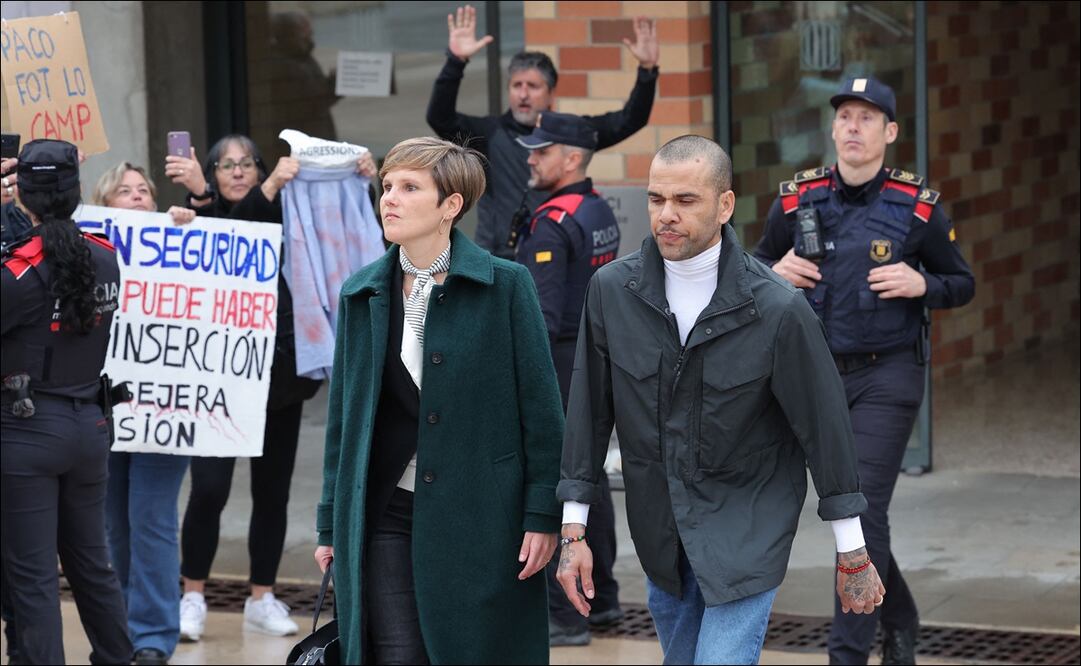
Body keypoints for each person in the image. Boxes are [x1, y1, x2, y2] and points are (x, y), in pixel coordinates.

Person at [555, 135, 887, 665]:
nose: (666, 215)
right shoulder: (611, 292)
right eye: (656, 199)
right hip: (660, 529)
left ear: (724, 205)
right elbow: (588, 415)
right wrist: (573, 530)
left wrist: (852, 549)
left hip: (746, 528)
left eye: (685, 201)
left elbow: (824, 430)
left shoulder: (779, 309)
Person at [313, 137, 564, 664]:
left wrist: (543, 514)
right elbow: (344, 422)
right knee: (399, 655)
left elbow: (542, 414)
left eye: (409, 187)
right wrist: (330, 524)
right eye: (386, 187)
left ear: (451, 205)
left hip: (481, 515)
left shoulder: (506, 286)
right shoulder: (361, 293)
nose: (390, 199)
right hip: (384, 511)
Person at [754, 76, 975, 665]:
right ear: (832, 129)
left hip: (889, 374)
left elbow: (962, 283)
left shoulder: (918, 210)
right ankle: (898, 614)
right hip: (815, 376)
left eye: (867, 118)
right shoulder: (796, 201)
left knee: (858, 510)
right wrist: (774, 272)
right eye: (845, 116)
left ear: (890, 132)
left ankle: (846, 656)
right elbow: (748, 267)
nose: (853, 127)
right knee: (858, 515)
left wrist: (922, 283)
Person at [163, 135, 374, 641]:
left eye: (247, 165)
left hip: (278, 382)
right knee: (209, 490)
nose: (237, 172)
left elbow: (340, 234)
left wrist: (364, 183)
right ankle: (192, 593)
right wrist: (199, 203)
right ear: (211, 175)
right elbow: (233, 232)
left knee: (272, 492)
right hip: (221, 380)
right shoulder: (199, 217)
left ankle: (262, 594)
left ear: (261, 170)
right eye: (226, 165)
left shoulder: (288, 212)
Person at [1, 139, 131, 664]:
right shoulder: (105, 256)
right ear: (76, 192)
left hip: (25, 432)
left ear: (23, 194)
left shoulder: (17, 273)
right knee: (92, 567)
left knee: (32, 581)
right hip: (90, 429)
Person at [427, 4, 658, 259]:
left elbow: (628, 120)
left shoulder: (571, 134)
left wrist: (647, 71)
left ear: (551, 94)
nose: (523, 94)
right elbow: (440, 117)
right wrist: (455, 61)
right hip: (498, 260)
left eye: (533, 86)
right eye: (517, 85)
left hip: (554, 253)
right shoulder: (489, 133)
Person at [513, 111, 623, 646]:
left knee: (562, 485)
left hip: (559, 367)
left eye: (541, 151)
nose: (530, 158)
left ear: (572, 159)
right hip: (593, 360)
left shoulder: (553, 223)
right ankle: (603, 600)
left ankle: (567, 614)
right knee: (589, 480)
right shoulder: (598, 209)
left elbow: (540, 318)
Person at [91, 162, 194, 666]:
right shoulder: (87, 250)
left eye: (143, 190)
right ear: (102, 206)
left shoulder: (180, 238)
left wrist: (192, 224)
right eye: (123, 191)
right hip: (104, 407)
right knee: (114, 523)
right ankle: (128, 625)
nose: (136, 197)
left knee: (150, 518)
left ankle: (152, 635)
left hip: (163, 406)